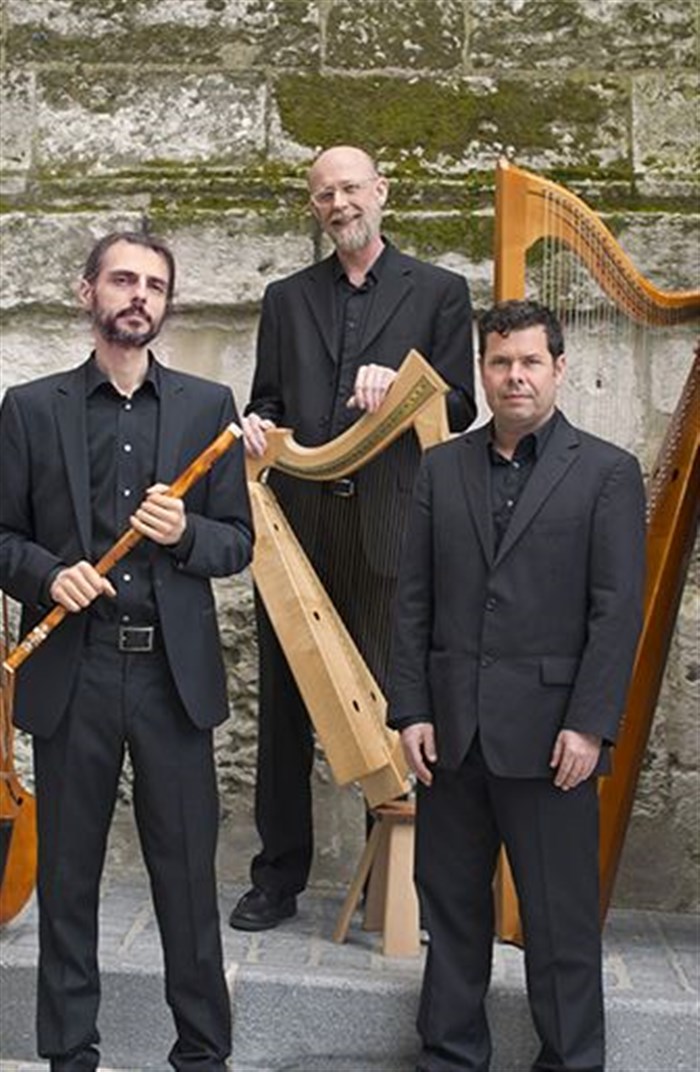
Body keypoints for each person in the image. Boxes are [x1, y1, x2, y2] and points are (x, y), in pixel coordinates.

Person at [0, 231, 253, 1072]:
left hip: (171, 679)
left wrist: (185, 534)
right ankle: (70, 1057)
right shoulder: (30, 408)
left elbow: (236, 542)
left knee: (186, 882)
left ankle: (203, 1057)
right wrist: (47, 574)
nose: (139, 295)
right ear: (88, 293)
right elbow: (0, 536)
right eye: (123, 280)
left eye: (155, 284)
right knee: (68, 882)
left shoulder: (208, 408)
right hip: (74, 673)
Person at [387, 300, 646, 1072]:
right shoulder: (442, 469)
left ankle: (571, 1061)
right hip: (453, 737)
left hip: (554, 742)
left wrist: (590, 724)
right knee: (451, 919)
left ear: (558, 369)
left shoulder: (606, 473)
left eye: (531, 361)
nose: (515, 376)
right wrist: (411, 710)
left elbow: (615, 613)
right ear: (483, 371)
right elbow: (414, 600)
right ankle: (450, 1057)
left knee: (561, 926)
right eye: (500, 362)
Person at [229, 145, 476, 932]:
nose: (339, 204)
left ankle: (394, 881)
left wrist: (404, 387)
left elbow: (461, 408)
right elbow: (268, 402)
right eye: (324, 195)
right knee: (282, 711)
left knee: (394, 706)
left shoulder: (439, 291)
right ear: (314, 207)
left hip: (387, 527)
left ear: (381, 191)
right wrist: (258, 425)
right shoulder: (286, 297)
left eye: (350, 189)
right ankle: (278, 878)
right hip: (296, 525)